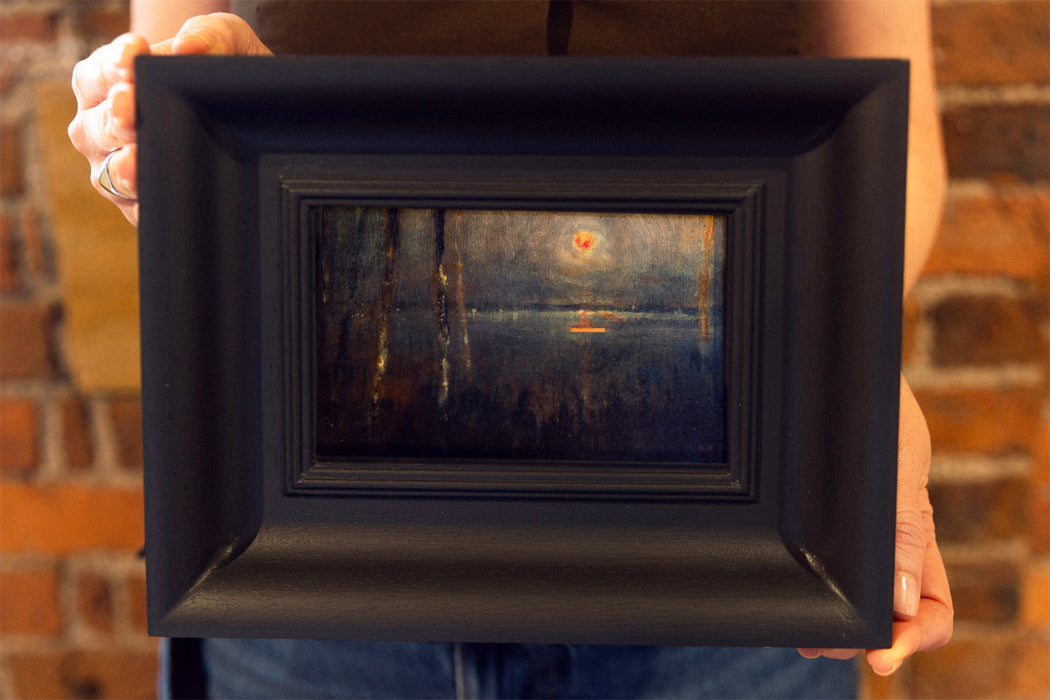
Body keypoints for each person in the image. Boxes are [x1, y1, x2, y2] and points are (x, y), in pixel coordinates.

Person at [69, 1, 953, 697]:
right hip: (307, 569)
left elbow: (893, 131)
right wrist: (162, 141)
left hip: (720, 575)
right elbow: (171, 76)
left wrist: (850, 351)